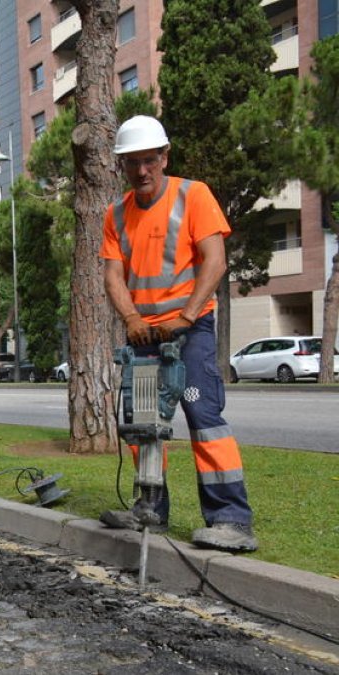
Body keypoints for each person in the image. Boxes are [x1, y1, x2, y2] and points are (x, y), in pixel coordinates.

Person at [99, 115, 257, 553]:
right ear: (122, 166)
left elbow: (215, 261)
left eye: (149, 161)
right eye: (132, 163)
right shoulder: (116, 213)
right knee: (144, 424)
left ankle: (231, 520)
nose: (142, 171)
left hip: (191, 330)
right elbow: (114, 276)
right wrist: (131, 319)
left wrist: (186, 317)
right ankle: (149, 508)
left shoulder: (194, 195)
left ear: (164, 157)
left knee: (204, 420)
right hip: (144, 335)